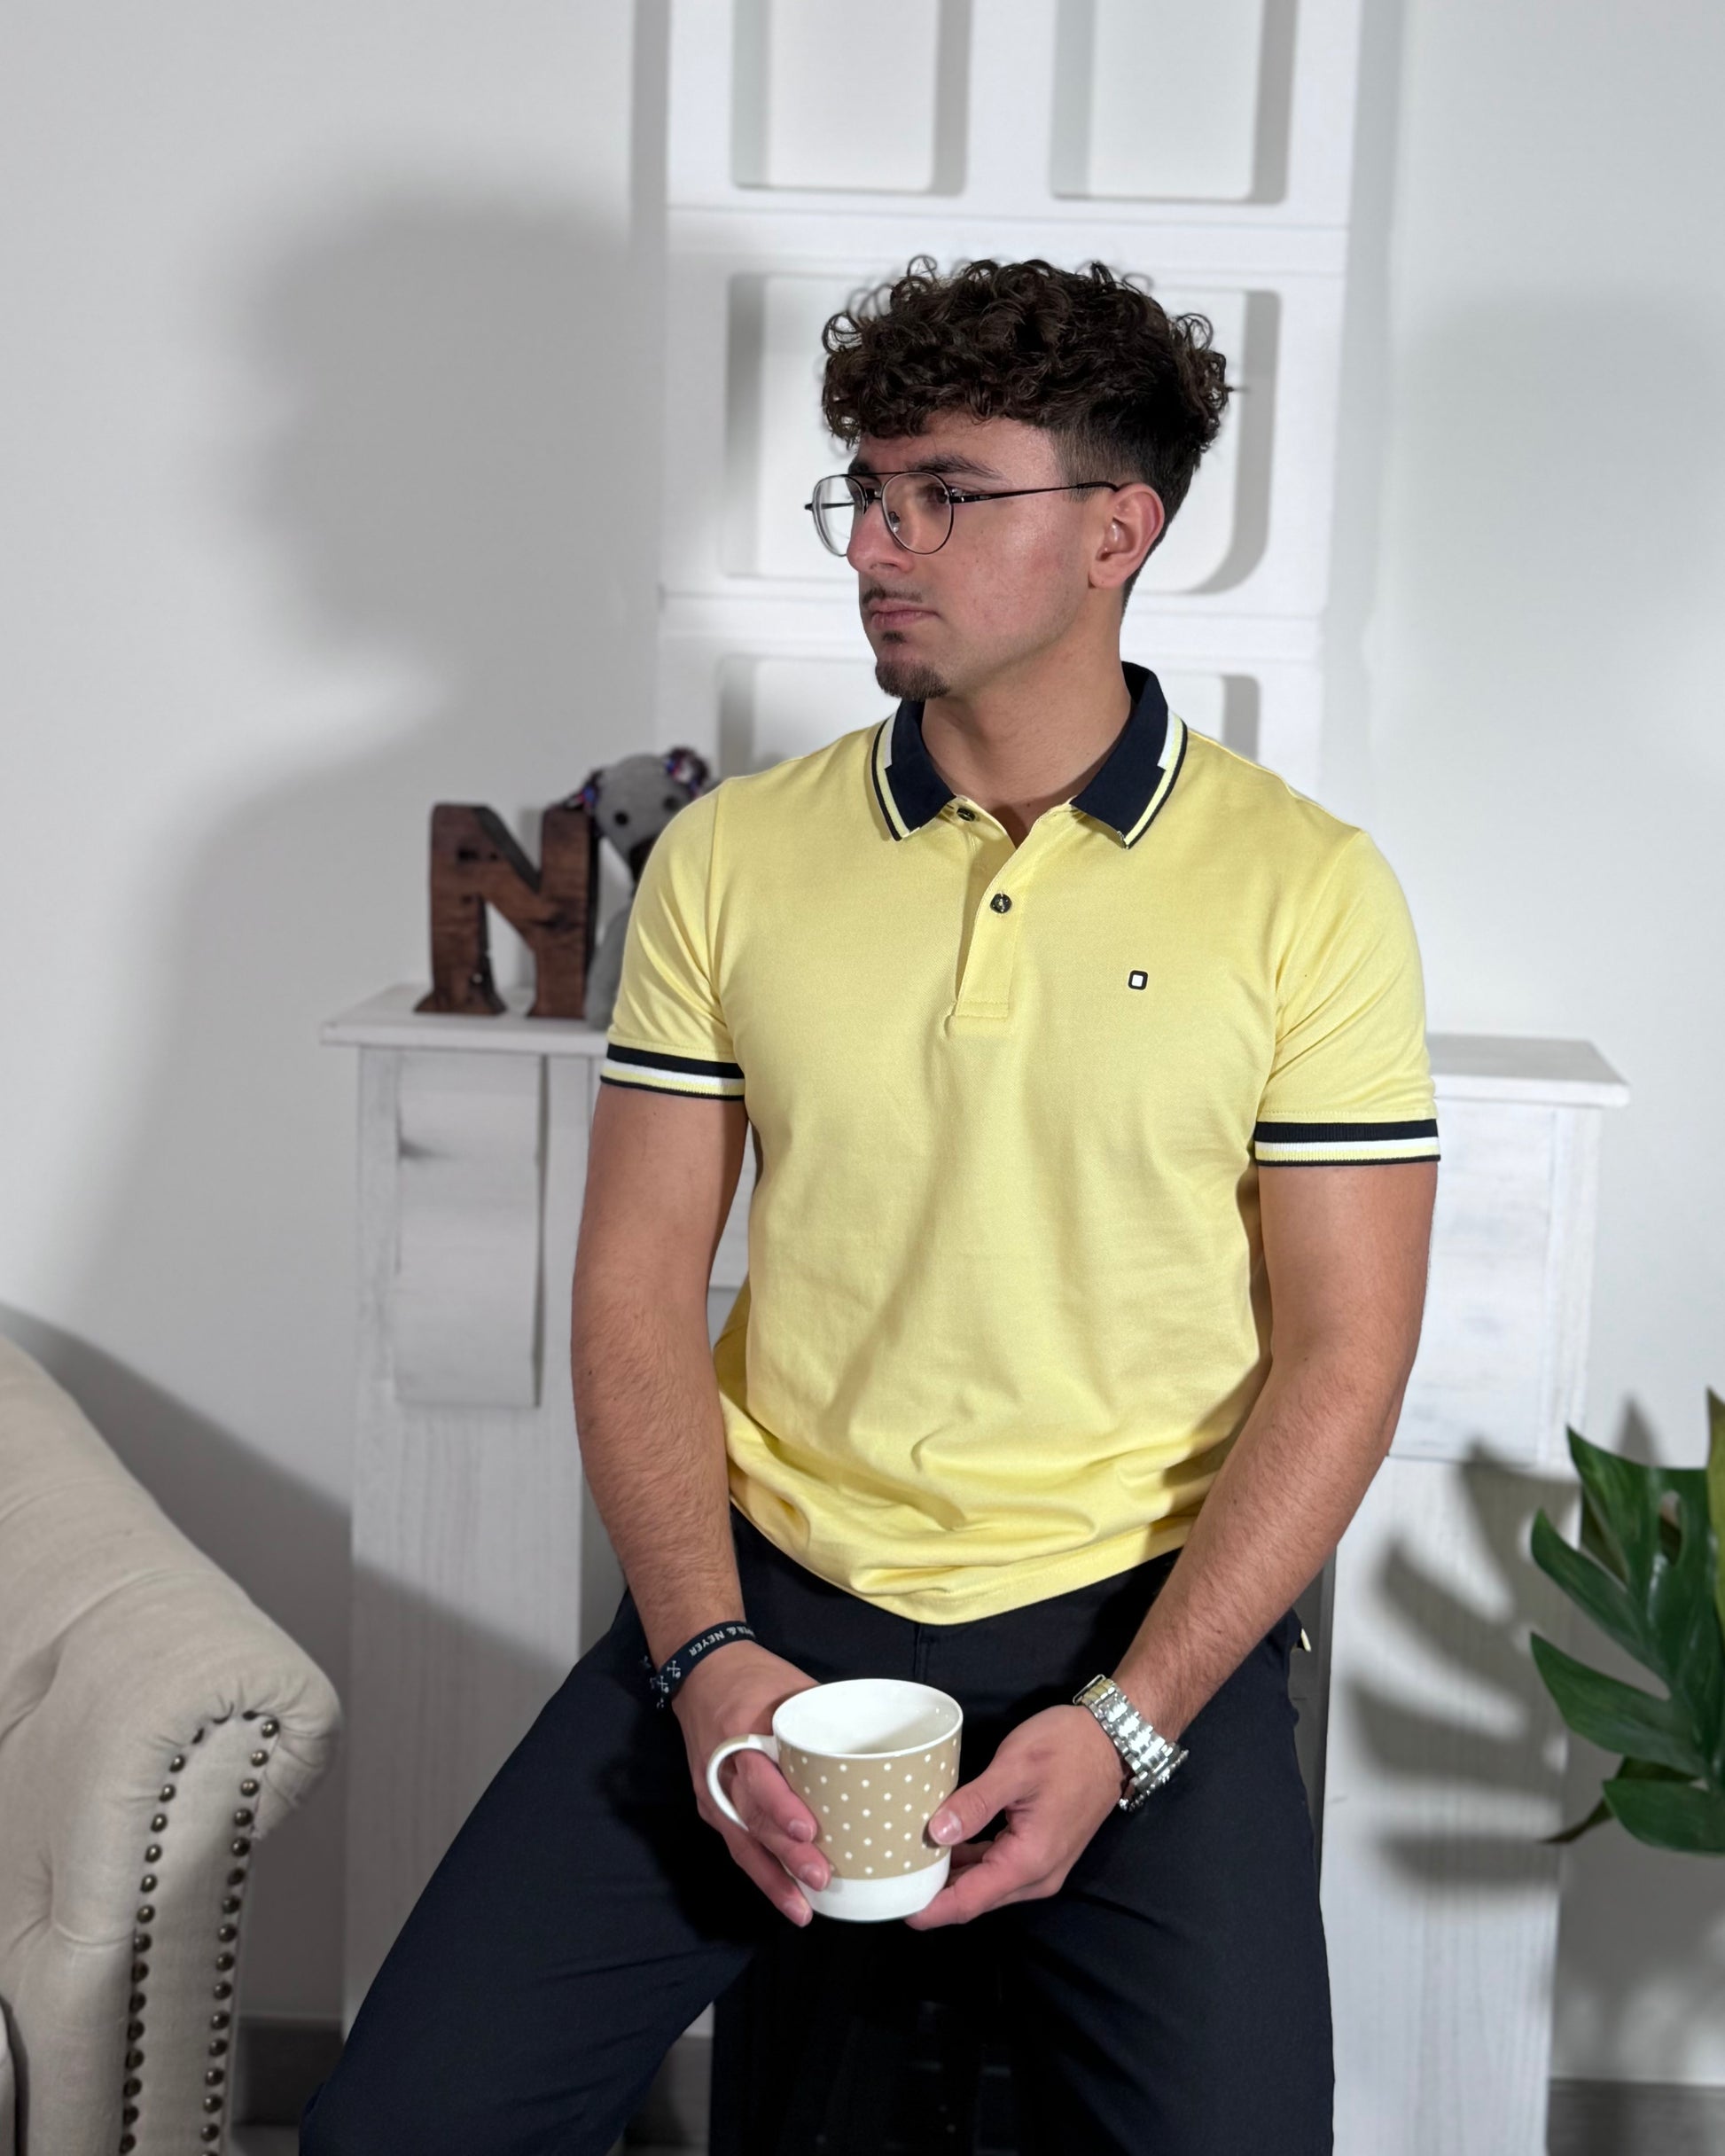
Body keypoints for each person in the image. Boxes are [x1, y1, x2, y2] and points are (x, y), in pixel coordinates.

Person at [301, 255, 1439, 2156]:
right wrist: (700, 1662)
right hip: (768, 1600)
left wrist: (1131, 1726)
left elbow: (1346, 1353)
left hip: (1134, 1627)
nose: (878, 543)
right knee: (400, 2129)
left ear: (1118, 530)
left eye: (947, 494)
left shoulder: (1307, 890)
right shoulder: (735, 856)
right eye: (869, 491)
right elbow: (633, 1289)